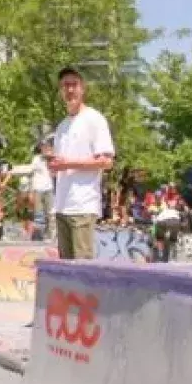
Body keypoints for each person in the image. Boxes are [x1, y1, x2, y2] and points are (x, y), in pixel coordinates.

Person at [46, 67, 115, 260]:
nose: (69, 90)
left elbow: (106, 161)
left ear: (82, 88)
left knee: (83, 269)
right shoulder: (62, 126)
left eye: (73, 85)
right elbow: (63, 164)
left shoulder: (94, 119)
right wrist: (54, 167)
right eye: (65, 86)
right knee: (67, 271)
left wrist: (68, 164)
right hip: (62, 206)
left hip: (83, 206)